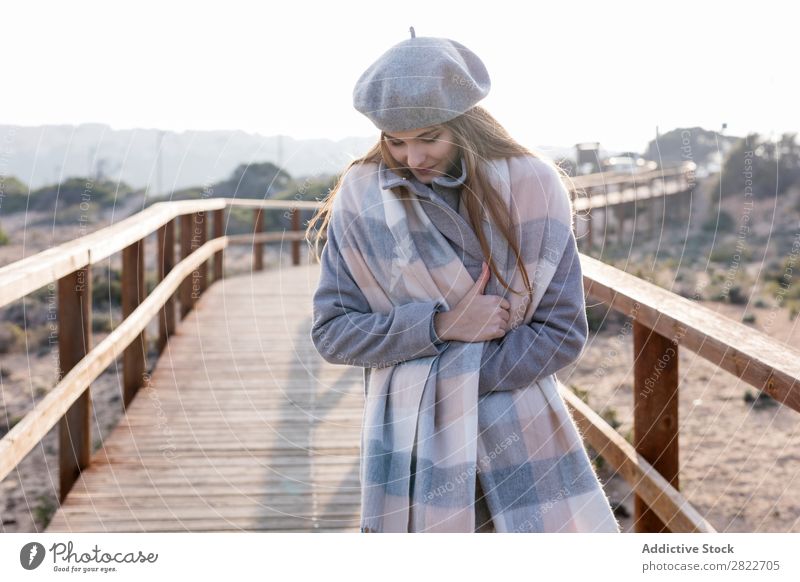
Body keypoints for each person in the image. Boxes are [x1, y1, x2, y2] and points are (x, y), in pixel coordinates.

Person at [306, 28, 620, 533]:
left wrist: (458, 384)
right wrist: (442, 325)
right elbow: (332, 333)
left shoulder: (533, 188)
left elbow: (562, 330)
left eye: (429, 137)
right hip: (409, 444)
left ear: (466, 122)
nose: (413, 158)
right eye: (396, 141)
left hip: (517, 433)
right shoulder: (361, 198)